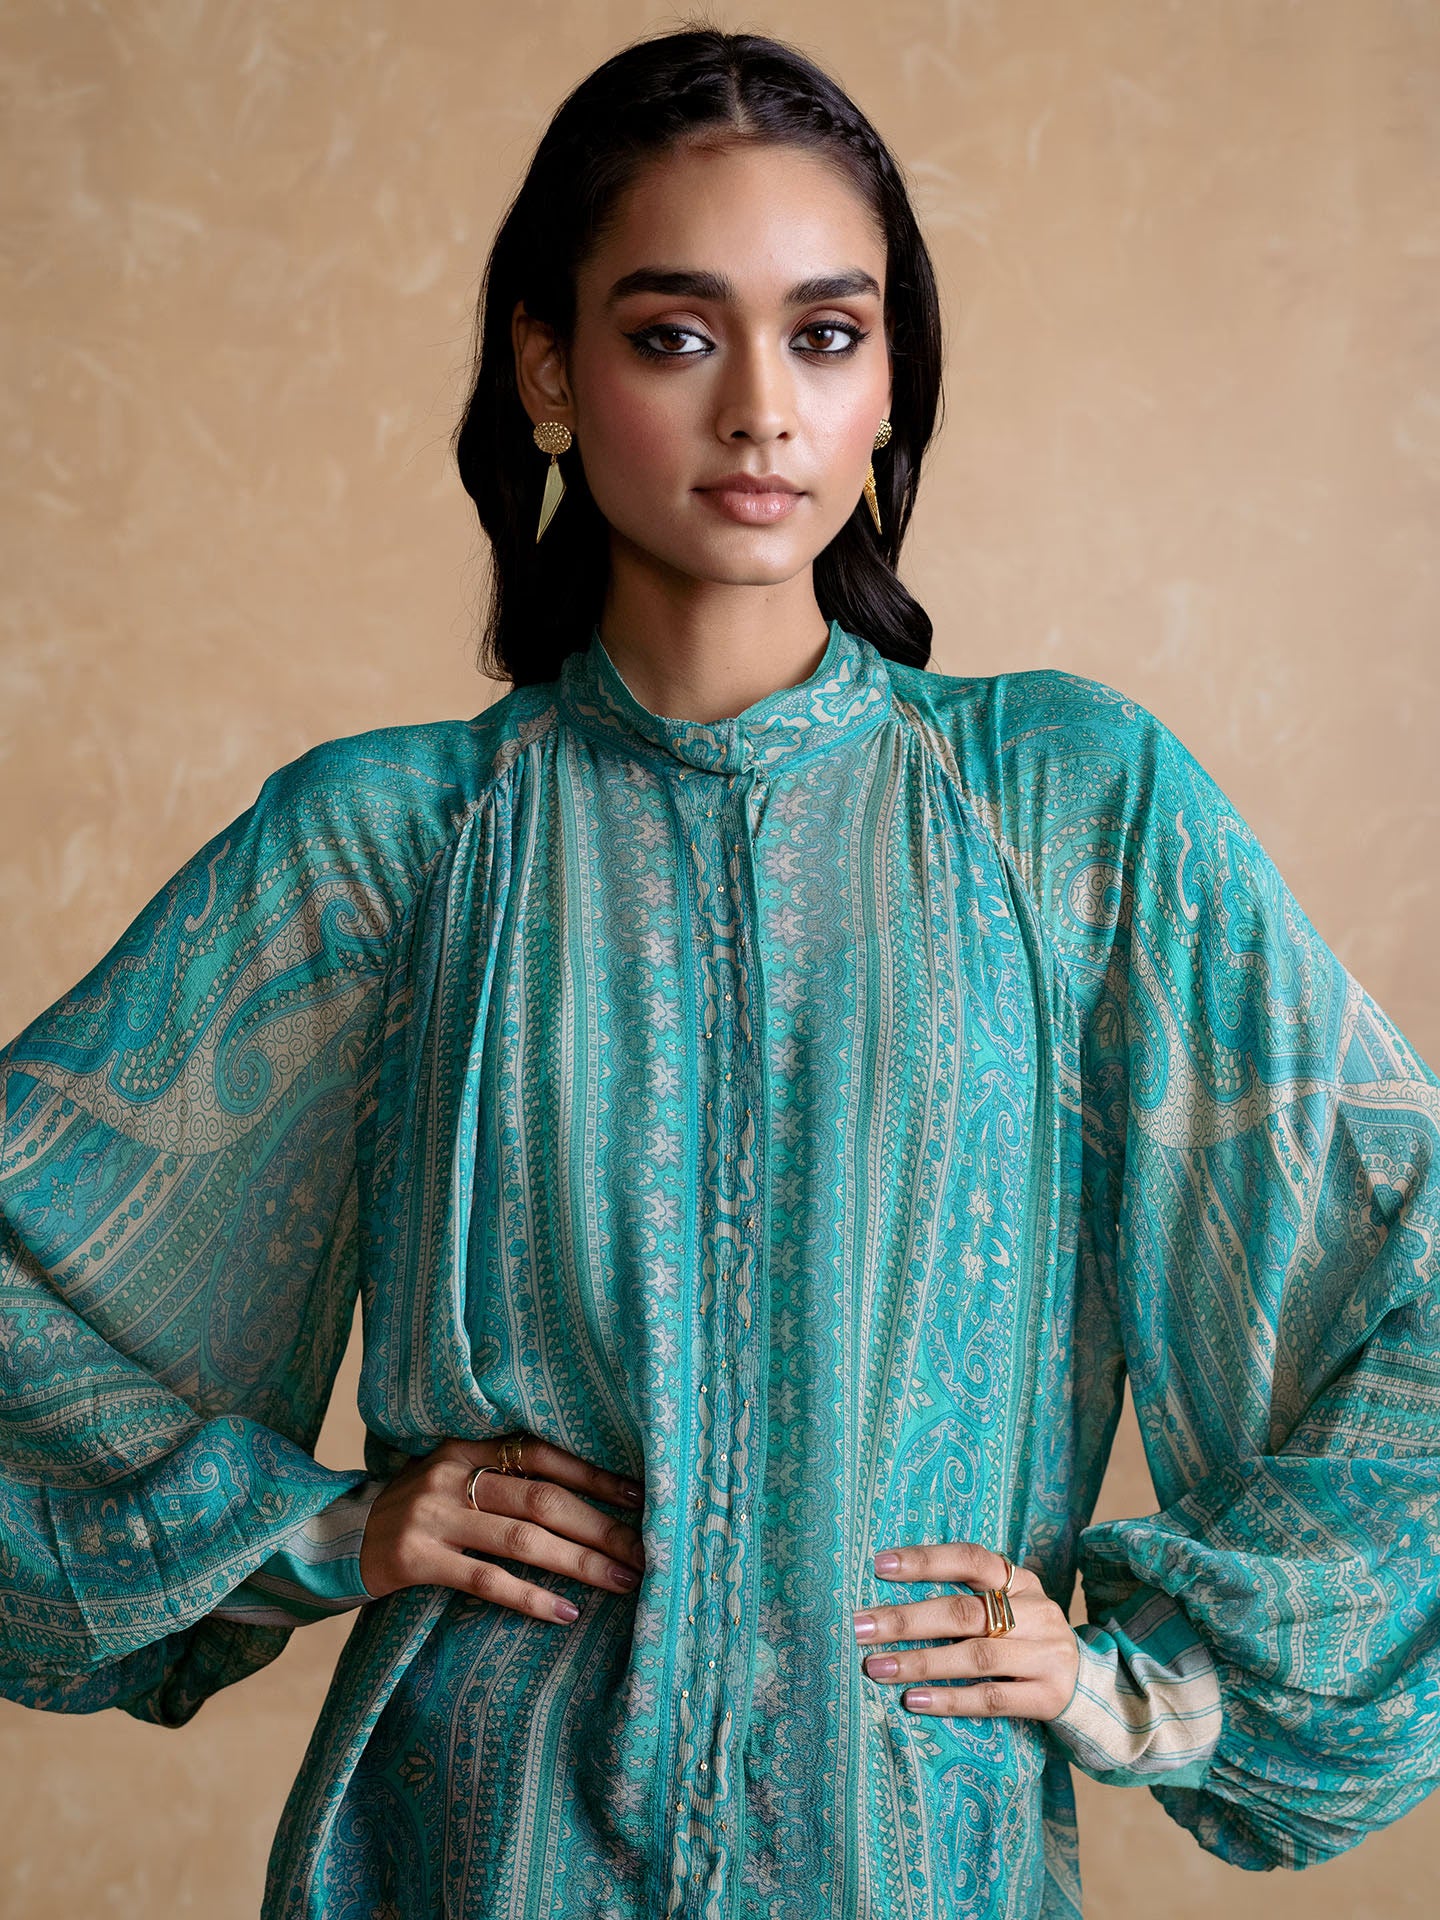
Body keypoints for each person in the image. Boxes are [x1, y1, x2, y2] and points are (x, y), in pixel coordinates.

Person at [2, 22, 1437, 1920]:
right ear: (549, 368)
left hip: (915, 1854)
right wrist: (326, 1528)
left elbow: (1400, 1283)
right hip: (472, 1848)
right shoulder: (396, 843)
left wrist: (1122, 1691)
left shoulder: (1069, 815)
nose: (763, 409)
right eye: (678, 333)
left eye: (827, 336)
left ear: (889, 380)